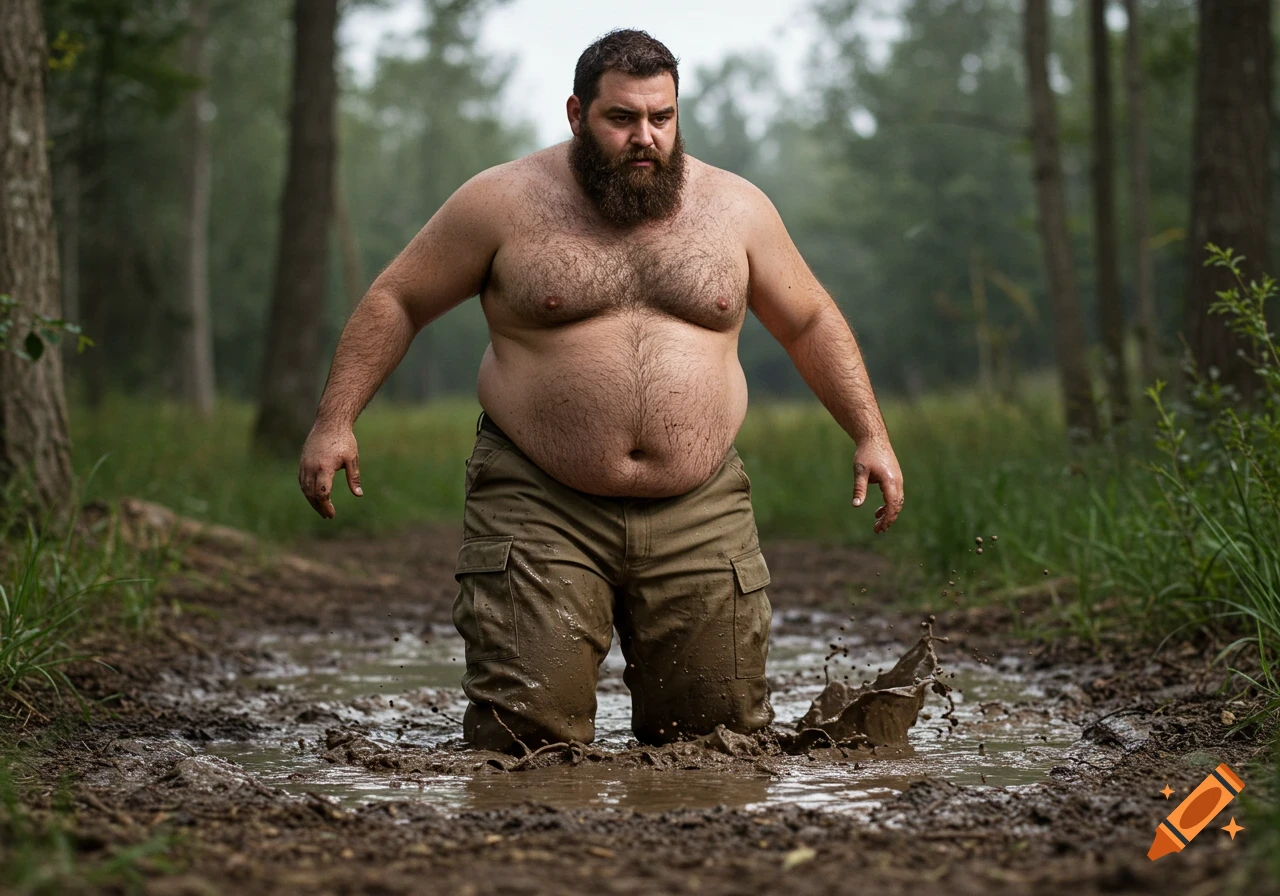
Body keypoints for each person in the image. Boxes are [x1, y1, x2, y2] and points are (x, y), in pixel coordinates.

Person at [298, 29, 904, 753]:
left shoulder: (737, 210)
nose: (644, 137)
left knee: (715, 746)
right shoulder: (501, 202)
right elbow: (398, 299)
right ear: (576, 113)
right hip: (538, 498)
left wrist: (869, 432)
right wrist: (336, 420)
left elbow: (808, 320)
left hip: (699, 507)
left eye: (662, 118)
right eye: (621, 118)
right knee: (523, 744)